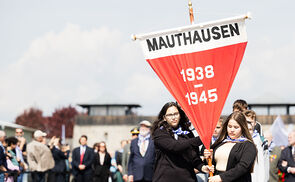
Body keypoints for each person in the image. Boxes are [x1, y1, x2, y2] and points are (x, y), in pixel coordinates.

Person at [151, 102, 213, 182]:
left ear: (180, 115)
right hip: (165, 178)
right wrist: (201, 139)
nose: (173, 117)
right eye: (170, 115)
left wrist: (202, 167)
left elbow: (193, 157)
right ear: (164, 118)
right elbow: (175, 146)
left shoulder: (187, 133)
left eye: (176, 114)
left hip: (187, 178)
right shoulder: (160, 132)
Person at [206, 111, 257, 182]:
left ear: (242, 127)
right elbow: (212, 164)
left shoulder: (248, 145)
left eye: (236, 127)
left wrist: (221, 177)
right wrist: (208, 158)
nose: (232, 130)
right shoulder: (220, 142)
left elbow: (243, 167)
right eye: (229, 126)